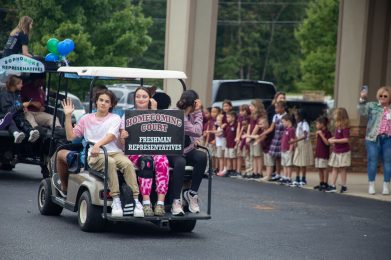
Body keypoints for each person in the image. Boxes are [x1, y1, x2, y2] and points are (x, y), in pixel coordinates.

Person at [60, 89, 143, 218]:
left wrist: (98, 145)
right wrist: (68, 116)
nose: (103, 103)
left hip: (113, 152)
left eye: (107, 101)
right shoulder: (86, 119)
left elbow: (110, 136)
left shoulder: (115, 118)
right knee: (109, 162)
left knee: (127, 164)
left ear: (111, 105)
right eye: (101, 100)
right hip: (95, 155)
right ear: (96, 102)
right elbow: (70, 137)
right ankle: (116, 200)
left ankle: (136, 200)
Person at [121, 86, 169, 217]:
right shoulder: (127, 115)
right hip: (135, 151)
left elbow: (163, 135)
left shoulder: (156, 113)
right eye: (138, 96)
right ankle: (146, 203)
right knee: (146, 161)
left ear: (149, 99)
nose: (141, 99)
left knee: (162, 160)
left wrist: (154, 112)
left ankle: (160, 203)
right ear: (134, 99)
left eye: (144, 96)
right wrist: (123, 136)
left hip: (153, 148)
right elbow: (121, 144)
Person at [167, 90, 206, 216]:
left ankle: (192, 193)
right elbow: (197, 130)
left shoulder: (190, 114)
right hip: (172, 150)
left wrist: (195, 140)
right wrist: (199, 111)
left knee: (202, 157)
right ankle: (175, 201)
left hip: (186, 149)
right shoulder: (178, 115)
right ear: (195, 103)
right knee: (180, 162)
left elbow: (194, 133)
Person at [358, 86, 391, 195]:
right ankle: (371, 185)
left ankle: (386, 186)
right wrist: (362, 99)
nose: (382, 97)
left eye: (385, 96)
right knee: (373, 161)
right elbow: (362, 112)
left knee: (388, 162)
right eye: (380, 95)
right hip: (373, 138)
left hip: (388, 139)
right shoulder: (372, 106)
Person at [0, 75, 40, 143]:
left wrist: (23, 108)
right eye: (21, 83)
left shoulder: (17, 94)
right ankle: (16, 134)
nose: (22, 85)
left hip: (15, 115)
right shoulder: (4, 95)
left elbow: (17, 107)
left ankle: (31, 132)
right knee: (10, 119)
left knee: (21, 119)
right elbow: (7, 111)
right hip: (4, 117)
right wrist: (22, 105)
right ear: (15, 84)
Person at [260, 101, 287, 181]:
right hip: (276, 138)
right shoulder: (275, 116)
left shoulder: (286, 116)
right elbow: (271, 128)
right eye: (275, 108)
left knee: (282, 158)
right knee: (276, 157)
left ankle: (285, 175)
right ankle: (277, 174)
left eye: (277, 108)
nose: (275, 109)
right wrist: (262, 133)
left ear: (283, 108)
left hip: (283, 138)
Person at [326, 108, 351, 193]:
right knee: (335, 168)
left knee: (342, 169)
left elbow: (346, 139)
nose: (334, 116)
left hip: (343, 151)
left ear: (340, 116)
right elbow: (337, 137)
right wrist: (331, 138)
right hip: (336, 151)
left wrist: (334, 141)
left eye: (335, 114)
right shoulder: (338, 126)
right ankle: (332, 185)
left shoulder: (345, 127)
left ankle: (344, 186)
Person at [291, 110, 314, 187]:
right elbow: (296, 135)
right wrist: (295, 143)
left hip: (304, 144)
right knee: (297, 161)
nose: (295, 117)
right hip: (298, 144)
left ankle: (303, 178)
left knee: (303, 162)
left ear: (301, 116)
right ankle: (297, 178)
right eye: (295, 116)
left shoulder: (304, 124)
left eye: (296, 115)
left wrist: (295, 140)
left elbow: (305, 135)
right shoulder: (298, 124)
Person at [246, 99, 266, 179]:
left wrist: (250, 136)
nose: (250, 107)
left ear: (257, 107)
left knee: (258, 156)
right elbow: (250, 126)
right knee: (254, 156)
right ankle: (254, 171)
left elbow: (257, 126)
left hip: (257, 137)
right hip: (251, 137)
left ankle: (259, 172)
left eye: (251, 106)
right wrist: (248, 136)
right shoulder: (252, 115)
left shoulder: (260, 116)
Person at [313, 116, 332, 191]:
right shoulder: (319, 132)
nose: (316, 126)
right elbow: (317, 143)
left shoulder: (327, 132)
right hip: (318, 153)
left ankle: (325, 183)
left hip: (324, 153)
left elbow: (327, 143)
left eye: (317, 124)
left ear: (322, 124)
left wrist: (321, 135)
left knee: (324, 168)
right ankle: (321, 182)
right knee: (319, 168)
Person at [279, 114, 296, 185]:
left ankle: (289, 177)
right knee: (284, 164)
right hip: (283, 149)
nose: (282, 124)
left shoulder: (291, 130)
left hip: (288, 150)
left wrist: (290, 150)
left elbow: (292, 140)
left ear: (288, 121)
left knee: (288, 165)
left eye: (283, 122)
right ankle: (285, 176)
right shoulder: (286, 129)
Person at [224, 111, 238, 177]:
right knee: (228, 157)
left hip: (233, 144)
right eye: (227, 117)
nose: (227, 119)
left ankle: (234, 170)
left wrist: (236, 144)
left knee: (233, 157)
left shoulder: (236, 125)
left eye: (228, 117)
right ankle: (229, 169)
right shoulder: (227, 126)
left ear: (233, 118)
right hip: (227, 145)